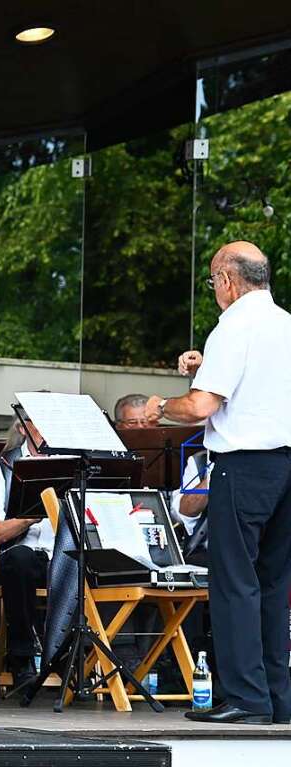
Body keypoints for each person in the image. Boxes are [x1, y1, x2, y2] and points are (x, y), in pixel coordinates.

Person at [146, 241, 291, 726]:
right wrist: (201, 368)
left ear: (227, 280)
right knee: (272, 584)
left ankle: (246, 700)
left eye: (213, 282)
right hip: (286, 466)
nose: (214, 291)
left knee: (234, 583)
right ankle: (276, 697)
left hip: (244, 466)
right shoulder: (285, 324)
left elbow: (202, 406)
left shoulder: (233, 326)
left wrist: (161, 407)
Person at [0, 411, 56, 687]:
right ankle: (22, 657)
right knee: (20, 559)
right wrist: (30, 516)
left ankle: (74, 661)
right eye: (42, 422)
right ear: (23, 427)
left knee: (84, 560)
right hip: (16, 558)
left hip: (60, 557)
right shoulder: (2, 464)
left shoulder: (77, 464)